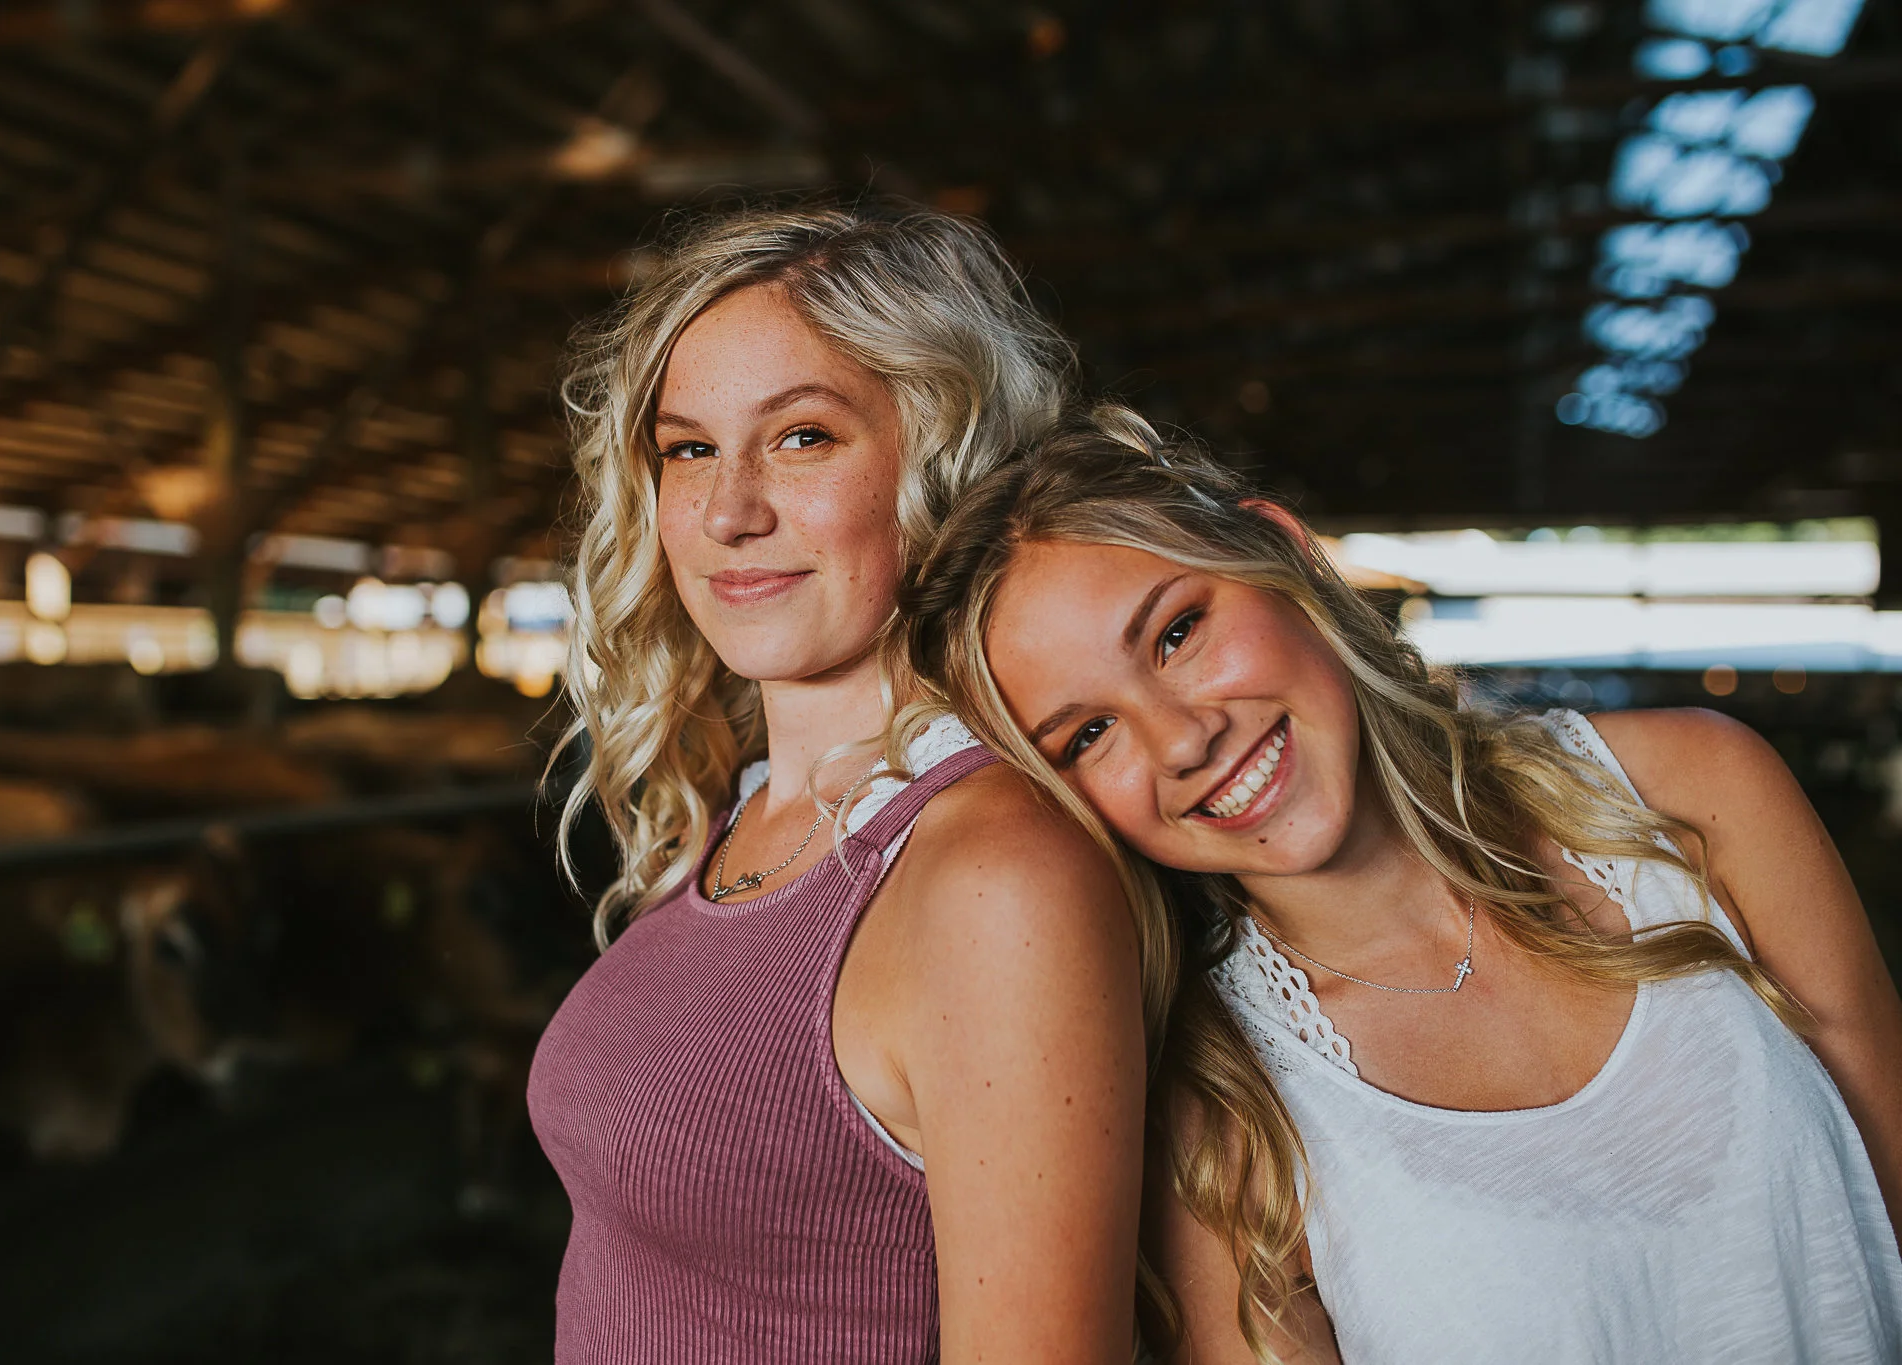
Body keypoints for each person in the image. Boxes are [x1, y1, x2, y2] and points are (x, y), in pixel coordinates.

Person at [904, 407, 1902, 1365]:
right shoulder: (1218, 1111)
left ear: (1285, 552)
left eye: (1176, 634)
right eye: (1088, 734)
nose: (1182, 739)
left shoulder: (1688, 797)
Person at [526, 207, 1169, 1363]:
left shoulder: (992, 878)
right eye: (687, 450)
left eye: (802, 437)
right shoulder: (737, 813)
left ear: (943, 457)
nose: (729, 513)